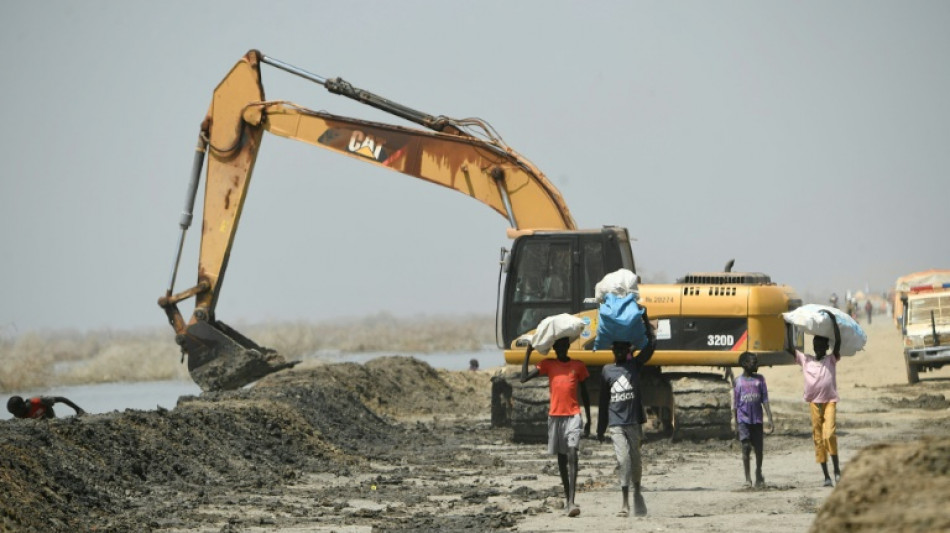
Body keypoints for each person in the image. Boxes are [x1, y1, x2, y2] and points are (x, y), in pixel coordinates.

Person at [522, 336, 591, 517]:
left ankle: (571, 501)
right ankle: (567, 497)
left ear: (568, 346)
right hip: (555, 417)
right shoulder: (548, 364)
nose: (561, 349)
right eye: (557, 346)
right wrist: (528, 353)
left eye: (563, 345)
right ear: (554, 348)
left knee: (572, 454)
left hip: (573, 416)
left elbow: (585, 392)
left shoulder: (578, 365)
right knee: (561, 460)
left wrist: (589, 419)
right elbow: (523, 378)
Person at [596, 310, 656, 517]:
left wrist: (645, 319)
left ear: (628, 350)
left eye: (624, 348)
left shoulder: (634, 366)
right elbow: (604, 401)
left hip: (634, 423)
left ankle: (637, 492)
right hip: (616, 424)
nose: (620, 352)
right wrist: (599, 428)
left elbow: (651, 346)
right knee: (623, 461)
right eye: (617, 348)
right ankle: (624, 503)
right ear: (613, 350)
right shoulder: (607, 371)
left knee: (636, 461)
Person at [795, 309, 843, 487]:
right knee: (818, 438)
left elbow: (838, 341)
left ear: (826, 348)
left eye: (822, 346)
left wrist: (833, 321)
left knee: (829, 434)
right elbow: (788, 348)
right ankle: (826, 476)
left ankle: (837, 469)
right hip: (814, 403)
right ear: (813, 347)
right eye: (816, 346)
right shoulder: (805, 360)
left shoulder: (831, 359)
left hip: (830, 400)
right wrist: (789, 326)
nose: (818, 349)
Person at [732, 352, 774, 488]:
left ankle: (758, 472)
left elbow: (765, 400)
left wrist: (770, 418)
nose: (757, 365)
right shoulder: (738, 382)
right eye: (753, 362)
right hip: (743, 419)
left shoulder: (760, 380)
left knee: (759, 449)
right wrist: (736, 424)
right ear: (745, 364)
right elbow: (735, 404)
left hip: (757, 420)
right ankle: (747, 479)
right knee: (745, 447)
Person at [7, 395, 85, 419]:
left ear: (22, 407)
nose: (15, 415)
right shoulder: (17, 418)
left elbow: (61, 399)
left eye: (15, 412)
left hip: (49, 416)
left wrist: (77, 409)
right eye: (13, 413)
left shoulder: (37, 401)